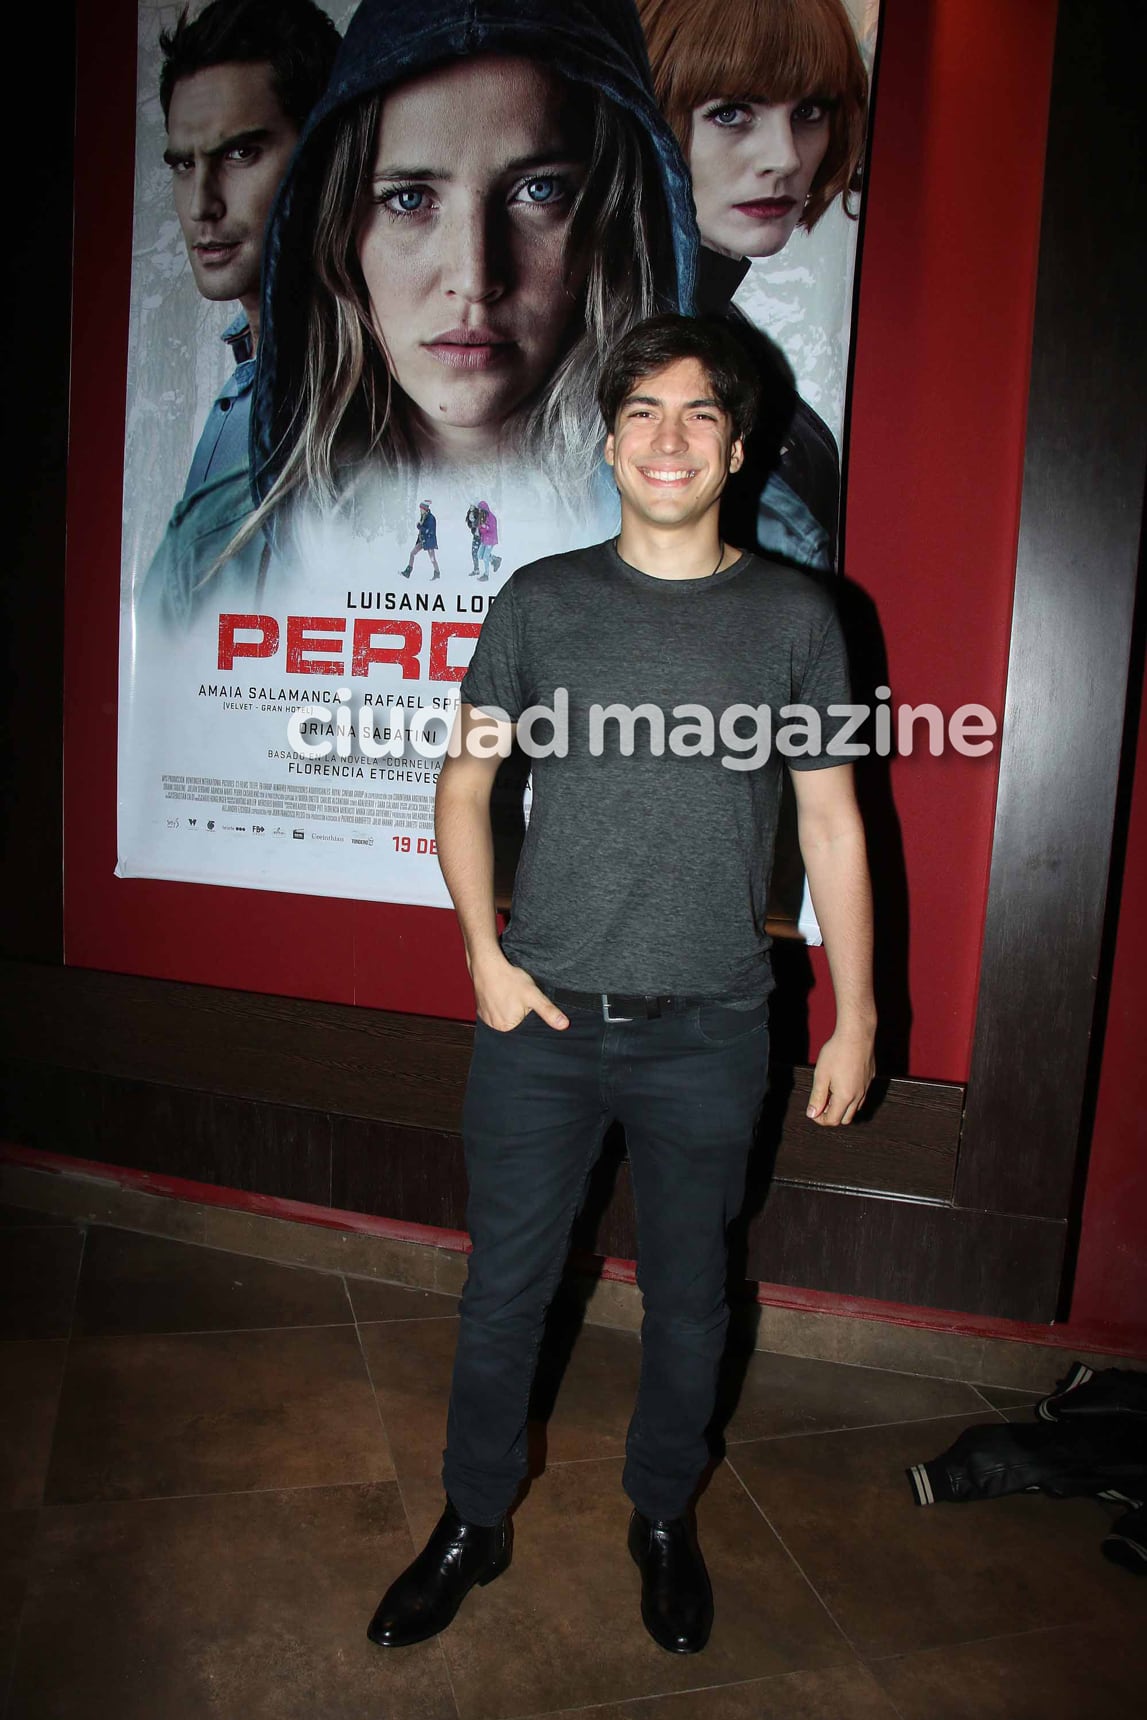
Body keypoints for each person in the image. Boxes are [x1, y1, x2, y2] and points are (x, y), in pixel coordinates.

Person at [368, 314, 875, 1654]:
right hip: (537, 1023)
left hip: (712, 1027)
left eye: (697, 414)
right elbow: (467, 782)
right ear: (605, 441)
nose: (666, 437)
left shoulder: (794, 617)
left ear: (740, 447)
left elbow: (832, 824)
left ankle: (662, 1514)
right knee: (502, 1296)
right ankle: (472, 1519)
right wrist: (481, 952)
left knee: (692, 1299)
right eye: (641, 412)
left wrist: (857, 1012)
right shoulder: (539, 600)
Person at [237, 0, 696, 582]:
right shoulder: (219, 547)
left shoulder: (746, 543)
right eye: (409, 199)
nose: (475, 279)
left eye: (540, 190)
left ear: (615, 214)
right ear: (338, 230)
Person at [636, 0, 869, 569]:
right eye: (732, 113)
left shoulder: (717, 340)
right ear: (651, 112)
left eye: (809, 111)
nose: (784, 157)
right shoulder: (607, 344)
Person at [141, 0, 341, 624]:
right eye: (183, 164)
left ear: (322, 153)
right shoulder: (241, 386)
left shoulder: (368, 391)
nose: (202, 204)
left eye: (239, 154)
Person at [399, 500, 441, 579]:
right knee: (412, 553)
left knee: (432, 559)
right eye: (420, 509)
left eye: (421, 509)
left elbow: (430, 531)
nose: (420, 510)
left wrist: (420, 527)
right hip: (423, 541)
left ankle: (437, 573)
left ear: (425, 509)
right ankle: (408, 572)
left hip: (429, 541)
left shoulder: (431, 518)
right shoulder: (423, 516)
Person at [475, 501, 502, 581]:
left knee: (485, 557)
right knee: (480, 555)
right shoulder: (482, 516)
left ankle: (486, 575)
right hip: (484, 539)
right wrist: (480, 528)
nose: (479, 511)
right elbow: (482, 529)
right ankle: (495, 559)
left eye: (480, 509)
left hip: (491, 539)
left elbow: (492, 528)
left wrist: (484, 527)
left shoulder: (491, 517)